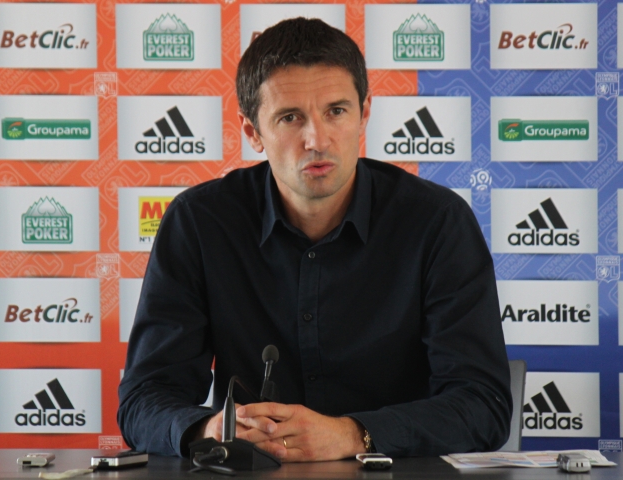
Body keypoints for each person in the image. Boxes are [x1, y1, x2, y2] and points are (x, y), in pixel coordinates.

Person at [118, 17, 512, 461]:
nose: (317, 140)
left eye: (336, 111)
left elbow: (485, 405)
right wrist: (211, 429)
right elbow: (143, 400)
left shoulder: (438, 222)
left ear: (364, 114)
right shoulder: (198, 222)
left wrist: (353, 435)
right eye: (290, 118)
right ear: (252, 132)